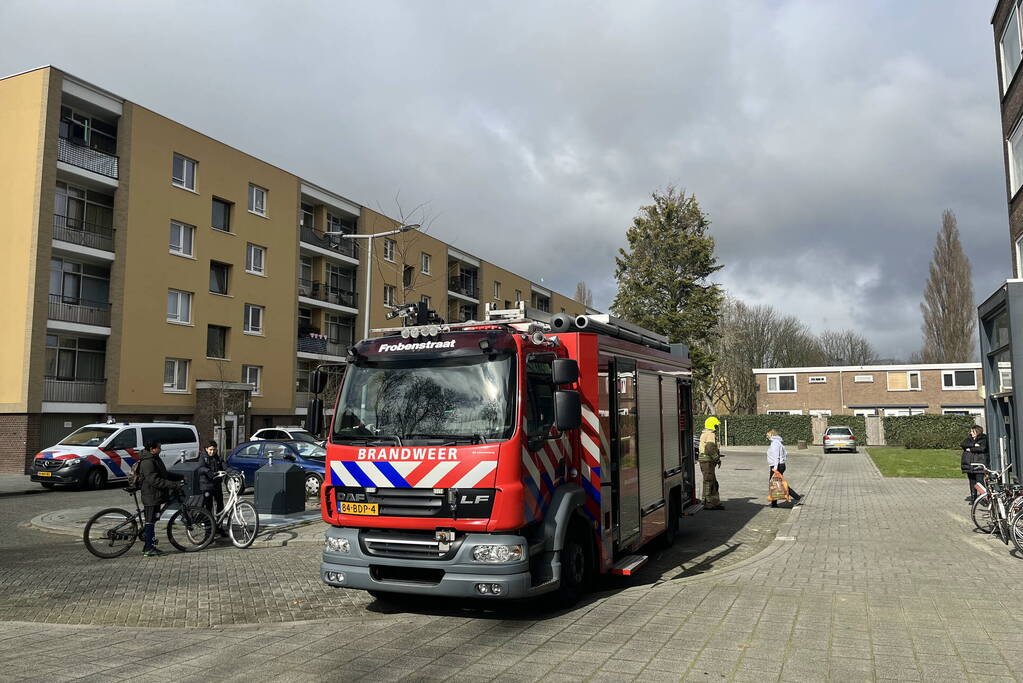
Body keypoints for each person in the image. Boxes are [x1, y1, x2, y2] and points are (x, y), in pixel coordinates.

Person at [138, 441, 185, 557]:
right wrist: (173, 485)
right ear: (152, 449)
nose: (160, 449)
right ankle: (149, 548)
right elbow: (154, 480)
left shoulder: (155, 458)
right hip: (150, 495)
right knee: (150, 521)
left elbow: (164, 474)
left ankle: (148, 544)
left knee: (153, 520)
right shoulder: (147, 461)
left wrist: (180, 477)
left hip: (156, 495)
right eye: (159, 447)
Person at [767, 428, 803, 507]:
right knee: (775, 484)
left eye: (768, 435)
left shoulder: (775, 443)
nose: (767, 436)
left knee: (779, 484)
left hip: (776, 466)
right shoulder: (777, 442)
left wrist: (775, 468)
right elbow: (785, 453)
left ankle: (797, 498)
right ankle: (774, 504)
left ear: (772, 434)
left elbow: (776, 456)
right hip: (779, 465)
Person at [698, 417, 725, 510]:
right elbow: (709, 448)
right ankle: (707, 503)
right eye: (716, 425)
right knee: (709, 481)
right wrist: (717, 459)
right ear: (712, 425)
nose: (717, 428)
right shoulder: (710, 434)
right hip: (707, 461)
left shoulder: (705, 433)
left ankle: (714, 502)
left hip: (706, 460)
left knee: (713, 482)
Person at [197, 441, 225, 524]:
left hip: (217, 485)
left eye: (214, 450)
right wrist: (208, 471)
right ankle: (208, 527)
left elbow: (225, 466)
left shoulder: (218, 458)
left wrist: (233, 472)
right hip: (206, 485)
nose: (212, 452)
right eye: (210, 450)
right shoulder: (203, 457)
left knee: (220, 504)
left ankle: (219, 525)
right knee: (208, 506)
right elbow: (200, 468)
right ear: (206, 449)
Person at [961, 424, 989, 503]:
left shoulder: (983, 438)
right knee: (972, 481)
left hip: (979, 463)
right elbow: (963, 444)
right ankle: (973, 498)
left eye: (973, 431)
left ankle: (985, 498)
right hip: (969, 464)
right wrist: (974, 445)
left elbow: (982, 448)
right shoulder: (969, 438)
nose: (971, 433)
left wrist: (970, 449)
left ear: (977, 432)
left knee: (979, 482)